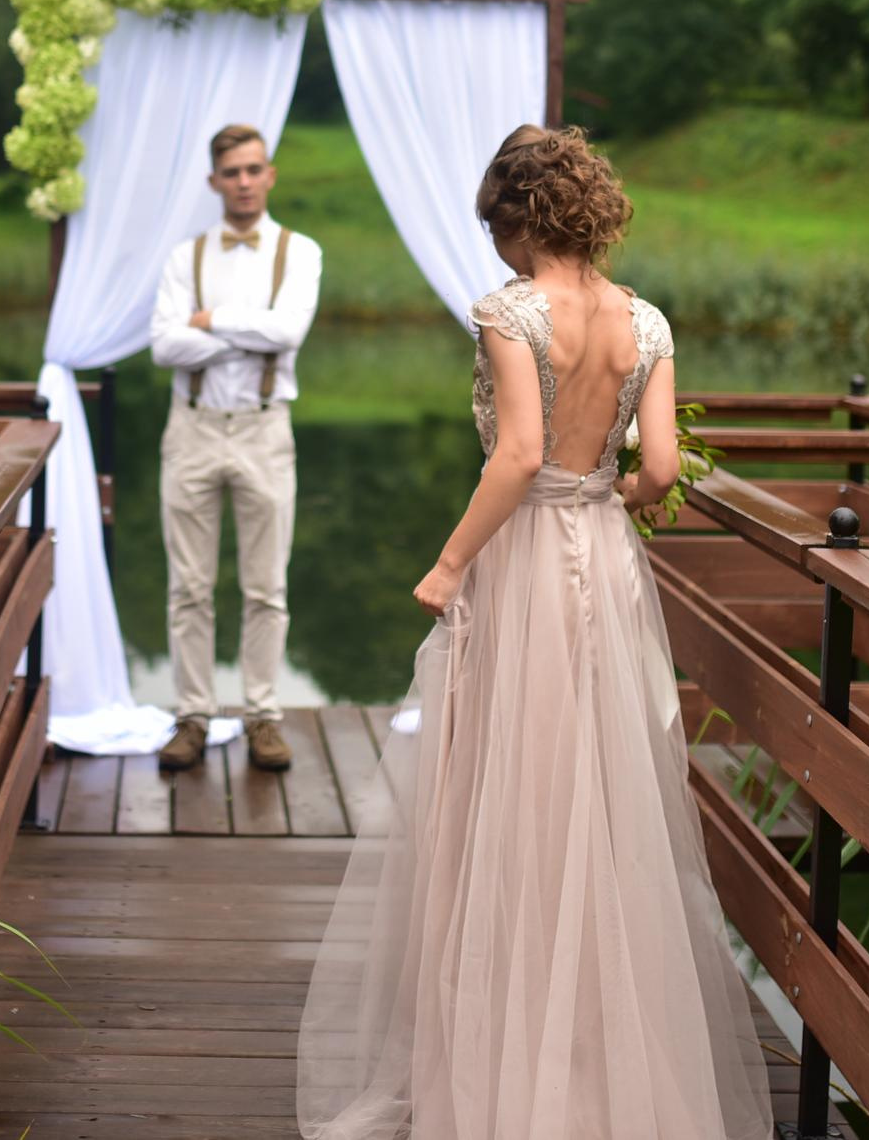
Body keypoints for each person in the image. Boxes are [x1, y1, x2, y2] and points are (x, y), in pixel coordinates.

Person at [296, 124, 773, 1140]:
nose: (495, 248)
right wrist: (622, 494)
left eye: (494, 225)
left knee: (511, 790)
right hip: (605, 555)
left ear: (518, 217)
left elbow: (515, 454)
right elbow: (657, 468)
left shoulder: (511, 310)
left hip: (522, 563)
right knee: (599, 792)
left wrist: (449, 560)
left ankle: (505, 1058)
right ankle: (602, 1054)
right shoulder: (646, 320)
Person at [148, 122, 324, 774]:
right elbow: (164, 346)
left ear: (270, 174)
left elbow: (290, 330)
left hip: (264, 427)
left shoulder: (298, 251)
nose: (244, 181)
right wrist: (252, 333)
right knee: (188, 585)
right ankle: (192, 713)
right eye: (233, 171)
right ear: (214, 180)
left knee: (265, 585)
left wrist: (211, 320)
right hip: (191, 428)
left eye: (254, 169)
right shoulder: (184, 256)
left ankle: (261, 714)